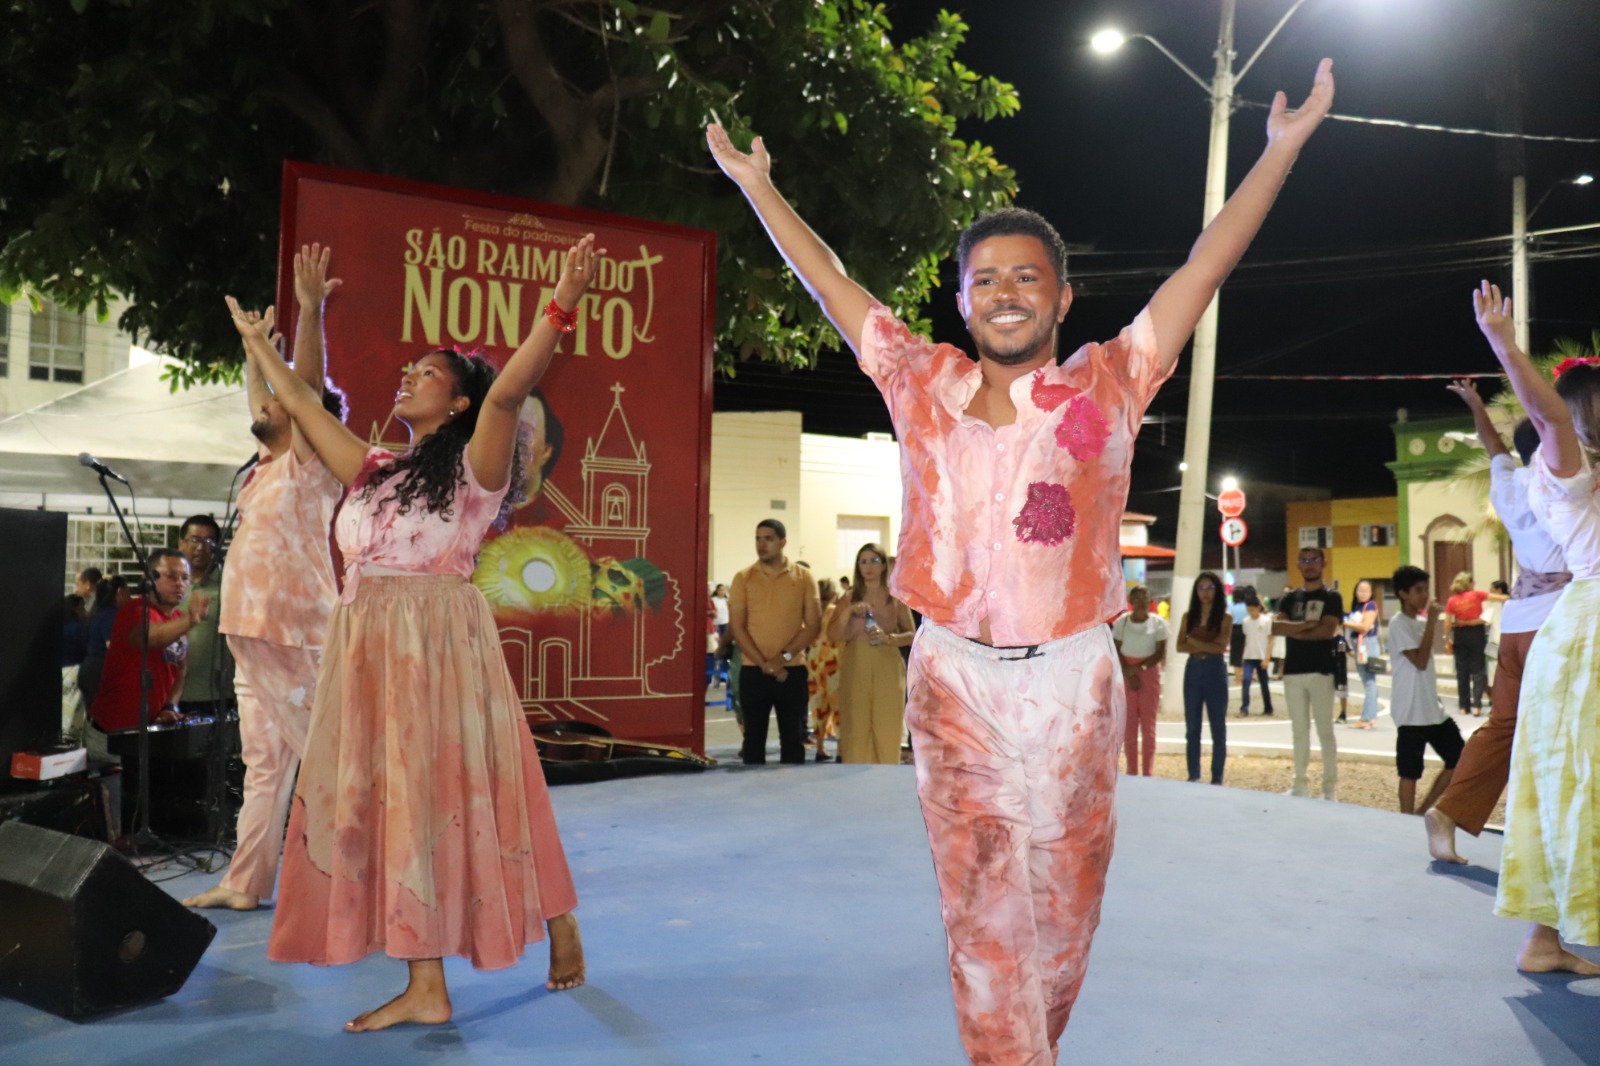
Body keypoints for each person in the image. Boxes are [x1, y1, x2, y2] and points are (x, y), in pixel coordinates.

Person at [708, 56, 1333, 1061]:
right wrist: (757, 187)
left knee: (1063, 920)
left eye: (1026, 277)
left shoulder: (1112, 381)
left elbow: (1202, 268)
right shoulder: (917, 380)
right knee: (983, 922)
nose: (1005, 293)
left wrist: (1281, 151)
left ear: (1061, 296)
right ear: (961, 302)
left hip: (1074, 682)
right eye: (985, 279)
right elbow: (828, 281)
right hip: (952, 677)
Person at [228, 234, 599, 1029]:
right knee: (397, 804)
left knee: (482, 793)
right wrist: (267, 341)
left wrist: (561, 305)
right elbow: (301, 404)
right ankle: (425, 984)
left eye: (427, 373)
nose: (407, 375)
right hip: (366, 646)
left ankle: (557, 915)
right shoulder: (371, 468)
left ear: (459, 403)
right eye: (409, 368)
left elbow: (510, 391)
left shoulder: (476, 467)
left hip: (439, 647)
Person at [183, 244, 348, 913]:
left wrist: (310, 312)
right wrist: (253, 351)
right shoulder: (268, 462)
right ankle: (246, 883)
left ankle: (376, 878)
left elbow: (301, 390)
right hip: (255, 634)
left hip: (294, 631)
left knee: (331, 761)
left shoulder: (310, 462)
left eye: (280, 401)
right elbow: (268, 399)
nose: (266, 402)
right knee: (266, 768)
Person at [1462, 283, 1600, 974]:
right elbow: (1546, 416)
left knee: (1570, 779)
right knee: (1578, 779)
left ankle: (1544, 938)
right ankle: (1547, 934)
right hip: (1588, 632)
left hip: (1571, 627)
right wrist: (1505, 346)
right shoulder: (1568, 468)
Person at [1427, 396, 1571, 864]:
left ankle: (1448, 811)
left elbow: (1493, 446)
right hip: (1558, 622)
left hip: (1518, 625)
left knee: (1502, 726)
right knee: (1566, 730)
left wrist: (1475, 405)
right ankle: (1554, 839)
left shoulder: (1509, 483)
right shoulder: (1562, 483)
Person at [88, 550, 208, 831]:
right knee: (121, 822)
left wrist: (170, 706)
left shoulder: (177, 618)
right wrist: (190, 621)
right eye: (171, 576)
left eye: (185, 578)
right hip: (115, 735)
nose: (180, 584)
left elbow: (181, 669)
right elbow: (145, 638)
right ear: (149, 579)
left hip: (147, 735)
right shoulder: (135, 610)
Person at [727, 519, 822, 765]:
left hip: (791, 672)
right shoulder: (743, 578)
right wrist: (765, 664)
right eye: (758, 539)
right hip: (753, 671)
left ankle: (793, 790)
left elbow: (813, 625)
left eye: (768, 539)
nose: (761, 544)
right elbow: (737, 627)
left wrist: (782, 659)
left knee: (793, 741)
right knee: (753, 741)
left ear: (783, 542)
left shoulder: (804, 578)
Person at [828, 542, 915, 764]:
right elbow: (832, 634)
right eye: (863, 562)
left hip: (888, 664)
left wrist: (889, 638)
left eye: (874, 561)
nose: (868, 566)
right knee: (856, 725)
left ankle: (886, 773)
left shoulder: (896, 596)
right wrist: (848, 612)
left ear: (884, 565)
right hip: (856, 663)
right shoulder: (849, 597)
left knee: (887, 724)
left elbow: (911, 634)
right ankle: (856, 775)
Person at [1386, 566, 1463, 815]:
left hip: (1431, 708)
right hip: (1410, 710)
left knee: (1459, 758)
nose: (1424, 596)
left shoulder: (1419, 623)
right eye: (1418, 590)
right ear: (1403, 594)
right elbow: (1419, 661)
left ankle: (1422, 811)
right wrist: (1431, 621)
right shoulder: (1398, 624)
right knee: (1410, 772)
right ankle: (1406, 817)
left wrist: (1428, 623)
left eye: (1425, 590)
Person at [1274, 547, 1343, 799]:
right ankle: (1300, 784)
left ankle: (1329, 788)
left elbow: (1327, 631)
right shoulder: (1289, 598)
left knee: (1325, 731)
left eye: (1314, 559)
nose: (1309, 564)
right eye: (1304, 560)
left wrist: (1294, 630)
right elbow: (1276, 627)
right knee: (1299, 732)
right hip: (1293, 672)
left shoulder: (1332, 596)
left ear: (1323, 563)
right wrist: (1307, 625)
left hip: (1322, 671)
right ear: (1298, 564)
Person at [176, 514, 234, 716]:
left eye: (209, 542)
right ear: (181, 543)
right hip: (170, 696)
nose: (201, 547)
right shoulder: (168, 586)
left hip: (217, 695)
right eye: (195, 540)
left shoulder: (229, 584)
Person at [1177, 571, 1231, 784]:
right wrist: (1204, 645)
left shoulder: (1224, 618)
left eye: (1210, 588)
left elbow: (1220, 647)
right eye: (1201, 588)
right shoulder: (1188, 617)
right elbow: (1180, 646)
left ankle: (1217, 776)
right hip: (1193, 669)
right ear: (1196, 591)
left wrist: (1193, 641)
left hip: (1215, 669)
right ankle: (1193, 774)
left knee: (1218, 726)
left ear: (1217, 591)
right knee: (1192, 727)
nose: (1206, 592)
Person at [1112, 584, 1167, 776]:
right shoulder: (1122, 623)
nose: (1141, 601)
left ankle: (1148, 771)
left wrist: (1138, 668)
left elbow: (1159, 652)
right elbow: (1115, 648)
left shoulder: (1158, 624)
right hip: (1126, 673)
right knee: (1129, 725)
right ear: (1131, 601)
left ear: (1151, 600)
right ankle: (1132, 771)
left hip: (1148, 673)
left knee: (1148, 724)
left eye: (1145, 597)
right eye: (1137, 597)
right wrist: (1128, 671)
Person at [1442, 571, 1506, 716]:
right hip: (1476, 634)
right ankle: (1477, 706)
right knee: (1478, 670)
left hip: (1460, 635)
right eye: (1473, 582)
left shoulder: (1452, 600)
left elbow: (1447, 623)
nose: (1474, 584)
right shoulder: (1477, 595)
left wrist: (1447, 640)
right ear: (1469, 583)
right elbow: (1500, 598)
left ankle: (1463, 706)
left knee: (1462, 672)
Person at [807, 577, 842, 762]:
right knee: (837, 706)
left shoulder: (811, 613)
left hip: (814, 661)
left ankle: (820, 748)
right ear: (834, 594)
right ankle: (841, 750)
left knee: (818, 705)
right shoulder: (834, 611)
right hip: (833, 661)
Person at [1343, 579, 1382, 729]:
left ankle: (1366, 718)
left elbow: (1365, 627)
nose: (1362, 593)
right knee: (1369, 681)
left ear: (1371, 593)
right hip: (1361, 645)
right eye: (1360, 590)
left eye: (1366, 591)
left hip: (1366, 645)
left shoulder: (1370, 605)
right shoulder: (1357, 606)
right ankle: (1371, 717)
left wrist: (1346, 623)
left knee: (1368, 681)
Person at [1238, 596, 1274, 717]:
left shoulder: (1266, 621)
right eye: (1249, 610)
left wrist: (1267, 658)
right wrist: (1242, 656)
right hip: (1248, 656)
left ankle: (1268, 707)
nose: (1251, 612)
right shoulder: (1246, 621)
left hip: (1261, 656)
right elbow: (1246, 639)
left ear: (1258, 608)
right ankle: (1244, 708)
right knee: (1246, 680)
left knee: (1264, 683)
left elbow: (1271, 639)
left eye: (1253, 609)